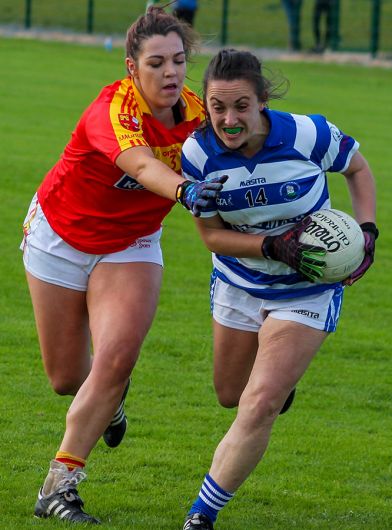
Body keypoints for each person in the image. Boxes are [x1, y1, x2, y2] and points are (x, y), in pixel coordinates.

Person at [21, 6, 226, 524]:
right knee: (67, 377)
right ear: (132, 68)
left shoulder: (200, 119)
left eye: (179, 61)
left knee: (116, 357)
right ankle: (107, 400)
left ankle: (58, 487)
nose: (171, 73)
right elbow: (138, 163)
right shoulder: (113, 110)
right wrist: (186, 189)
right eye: (156, 63)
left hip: (130, 245)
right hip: (60, 237)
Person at [180, 49, 378, 529]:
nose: (229, 119)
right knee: (230, 393)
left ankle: (200, 517)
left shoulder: (306, 135)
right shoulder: (198, 154)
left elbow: (357, 168)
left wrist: (367, 231)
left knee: (259, 402)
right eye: (218, 107)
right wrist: (272, 245)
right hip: (239, 281)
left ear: (262, 101)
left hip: (308, 286)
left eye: (241, 106)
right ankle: (277, 384)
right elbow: (210, 235)